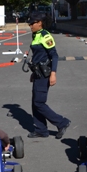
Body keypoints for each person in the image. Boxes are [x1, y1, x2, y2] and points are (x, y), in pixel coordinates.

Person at [26, 11, 70, 139]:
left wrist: (53, 74)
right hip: (38, 73)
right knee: (35, 102)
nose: (30, 25)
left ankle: (62, 122)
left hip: (45, 74)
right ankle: (41, 129)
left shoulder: (45, 36)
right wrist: (34, 73)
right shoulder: (36, 35)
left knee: (39, 102)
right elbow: (38, 56)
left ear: (40, 23)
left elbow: (54, 55)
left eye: (32, 23)